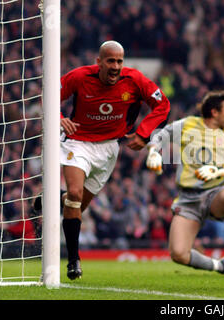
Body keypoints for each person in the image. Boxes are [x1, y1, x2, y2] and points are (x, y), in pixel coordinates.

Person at [35, 40, 170, 280]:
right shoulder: (79, 76)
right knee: (75, 195)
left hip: (109, 149)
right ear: (99, 62)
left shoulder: (135, 80)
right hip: (77, 142)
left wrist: (144, 133)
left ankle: (53, 200)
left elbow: (162, 104)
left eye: (119, 61)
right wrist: (58, 116)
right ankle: (73, 260)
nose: (116, 66)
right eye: (110, 61)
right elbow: (50, 94)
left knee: (75, 206)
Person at [145, 90, 224, 276]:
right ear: (215, 112)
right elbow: (159, 135)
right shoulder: (188, 124)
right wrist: (154, 152)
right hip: (188, 199)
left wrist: (219, 171)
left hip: (215, 192)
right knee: (178, 254)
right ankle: (222, 266)